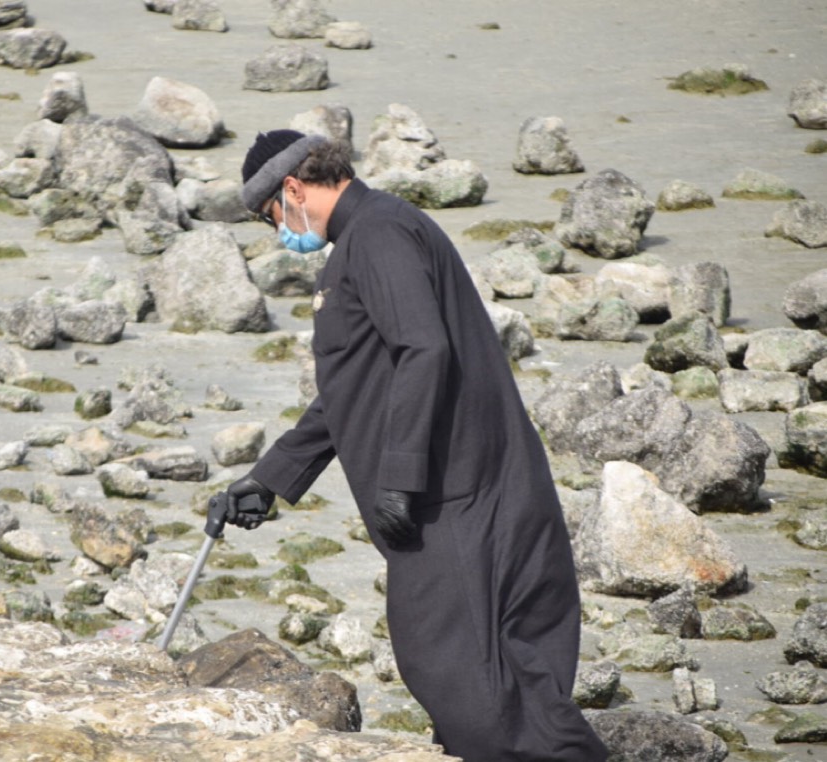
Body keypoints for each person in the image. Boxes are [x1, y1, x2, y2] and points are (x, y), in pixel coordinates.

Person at [225, 129, 608, 762]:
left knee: (469, 684)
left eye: (271, 216)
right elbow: (354, 387)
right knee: (501, 681)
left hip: (454, 496)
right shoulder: (373, 232)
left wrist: (400, 479)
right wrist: (269, 478)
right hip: (471, 488)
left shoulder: (377, 234)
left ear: (293, 189)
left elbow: (422, 349)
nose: (278, 233)